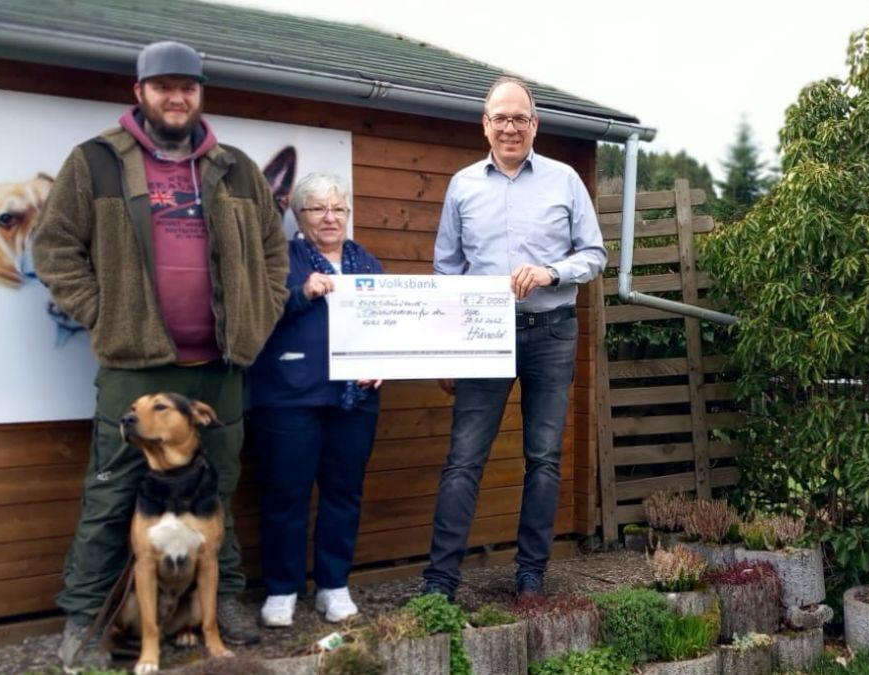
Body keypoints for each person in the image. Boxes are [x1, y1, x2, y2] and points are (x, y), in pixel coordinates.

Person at [31, 40, 289, 667]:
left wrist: (261, 312)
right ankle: (86, 624)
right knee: (111, 492)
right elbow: (54, 246)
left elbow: (273, 254)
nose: (177, 97)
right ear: (139, 92)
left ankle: (220, 601)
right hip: (135, 366)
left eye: (189, 87)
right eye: (164, 86)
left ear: (200, 94)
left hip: (222, 366)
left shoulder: (236, 167)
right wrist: (103, 312)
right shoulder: (95, 162)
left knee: (218, 488)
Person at [421, 76, 606, 600]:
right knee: (464, 457)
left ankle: (531, 574)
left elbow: (594, 255)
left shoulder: (565, 179)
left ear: (534, 125)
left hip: (551, 331)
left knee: (544, 457)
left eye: (519, 118)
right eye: (499, 118)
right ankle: (439, 580)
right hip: (483, 333)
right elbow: (446, 273)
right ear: (485, 124)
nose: (509, 127)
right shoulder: (463, 186)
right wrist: (446, 348)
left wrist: (550, 271)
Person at [248, 173, 384, 627]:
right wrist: (302, 293)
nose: (330, 217)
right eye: (318, 209)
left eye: (338, 209)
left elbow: (387, 324)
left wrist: (381, 363)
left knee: (343, 493)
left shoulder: (366, 262)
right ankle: (283, 589)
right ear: (298, 217)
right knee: (285, 495)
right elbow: (255, 315)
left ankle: (333, 586)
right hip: (289, 399)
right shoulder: (280, 262)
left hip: (354, 401)